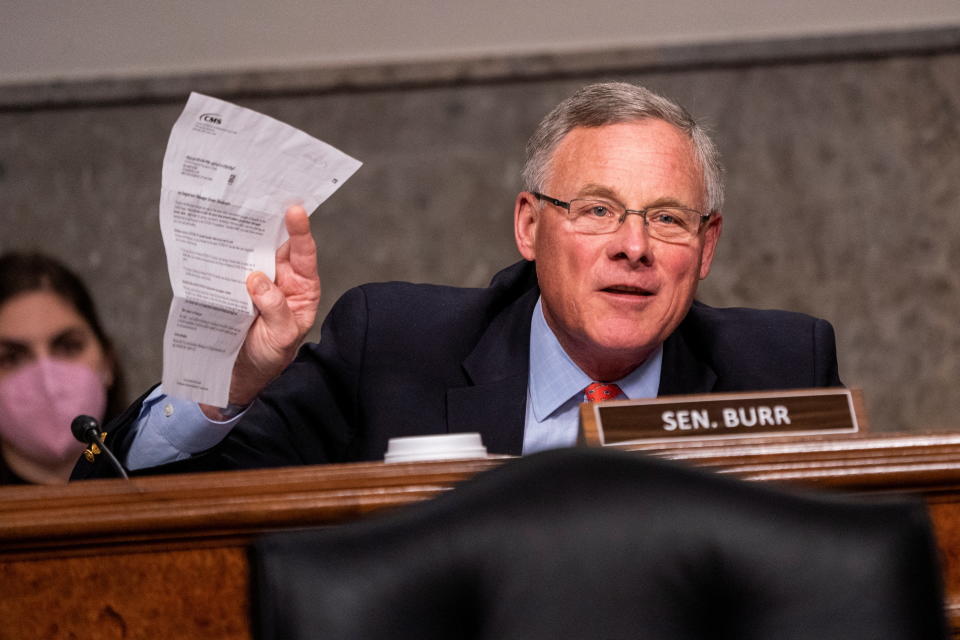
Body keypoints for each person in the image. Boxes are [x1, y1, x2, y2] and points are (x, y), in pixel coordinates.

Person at [72, 82, 840, 479]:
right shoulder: (396, 349)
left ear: (706, 248)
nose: (633, 246)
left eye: (668, 219)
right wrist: (228, 381)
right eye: (598, 209)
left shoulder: (780, 368)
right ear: (528, 226)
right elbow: (140, 508)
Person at [0, 252, 125, 484]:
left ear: (107, 362)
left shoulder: (170, 477)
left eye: (68, 347)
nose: (47, 382)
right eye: (11, 358)